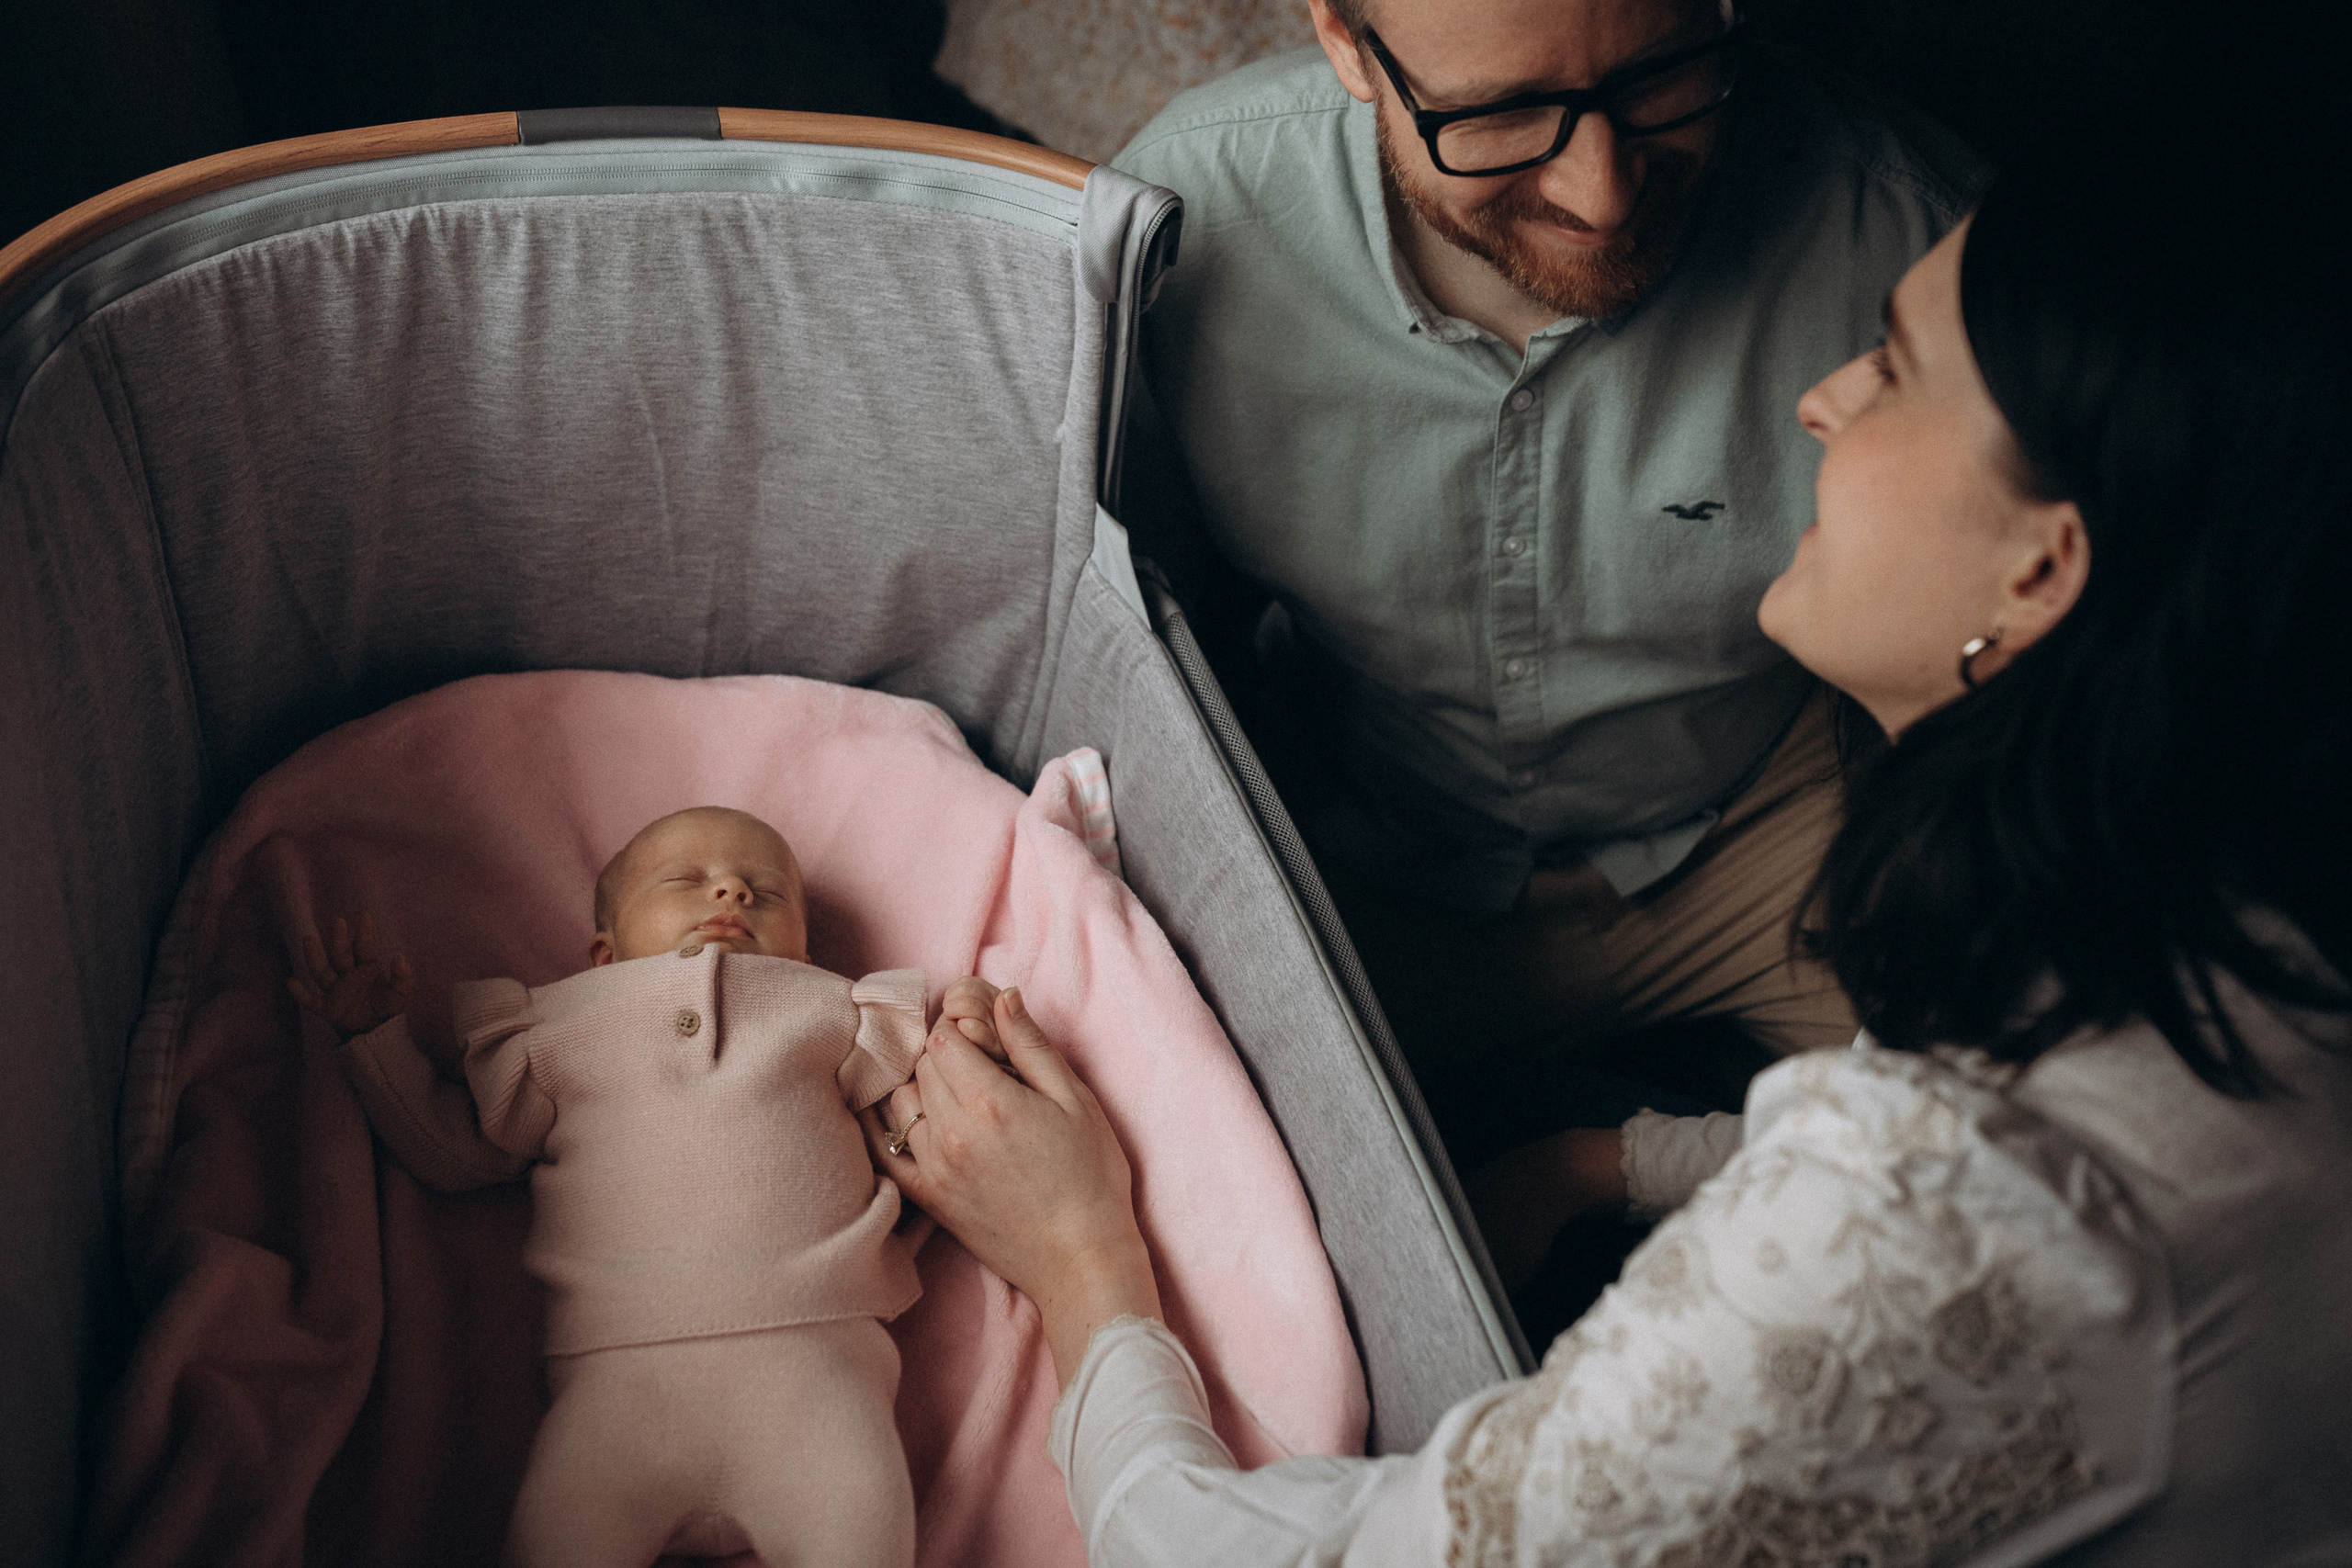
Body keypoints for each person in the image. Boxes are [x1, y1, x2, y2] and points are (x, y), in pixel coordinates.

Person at [869, 113, 2352, 1564]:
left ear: (2044, 564)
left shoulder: (1929, 1208)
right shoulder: (2226, 922)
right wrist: (1605, 1160)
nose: (1824, 399)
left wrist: (1084, 1262)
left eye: (1896, 369)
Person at [1111, 0, 1980, 1110]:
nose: (1601, 194)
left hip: (1792, 839)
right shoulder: (1179, 221)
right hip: (1371, 857)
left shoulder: (1921, 238)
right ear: (1342, 38)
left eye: (1661, 77)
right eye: (1503, 114)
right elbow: (1129, 609)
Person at [289, 807, 989, 1568]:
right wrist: (372, 1042)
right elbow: (452, 1151)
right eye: (686, 880)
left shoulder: (832, 1011)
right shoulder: (556, 1031)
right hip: (620, 1396)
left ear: (807, 948)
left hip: (818, 1375)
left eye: (765, 890)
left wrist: (973, 1044)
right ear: (604, 952)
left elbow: (928, 1129)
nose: (730, 891)